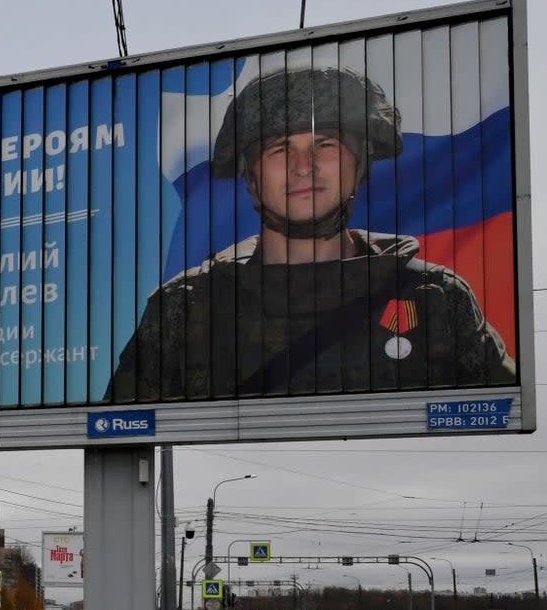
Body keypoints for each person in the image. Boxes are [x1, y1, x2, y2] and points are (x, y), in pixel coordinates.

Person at [106, 64, 515, 401]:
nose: (304, 166)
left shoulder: (435, 299)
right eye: (280, 149)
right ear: (251, 176)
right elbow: (119, 428)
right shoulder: (184, 308)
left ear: (359, 164)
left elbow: (501, 412)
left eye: (326, 145)